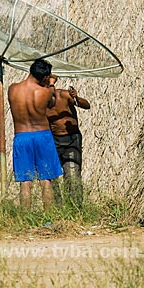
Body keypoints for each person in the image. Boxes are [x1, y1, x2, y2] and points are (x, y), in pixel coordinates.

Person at [8, 59, 62, 210]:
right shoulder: (45, 92)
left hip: (22, 136)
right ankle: (49, 217)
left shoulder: (12, 89)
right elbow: (52, 103)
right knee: (46, 179)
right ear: (44, 77)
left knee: (25, 181)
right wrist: (51, 84)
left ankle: (25, 219)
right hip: (42, 135)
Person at [46, 80, 90, 208]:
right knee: (52, 176)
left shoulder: (64, 95)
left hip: (71, 139)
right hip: (54, 140)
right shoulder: (41, 103)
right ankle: (57, 207)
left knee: (72, 174)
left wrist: (76, 97)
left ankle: (75, 207)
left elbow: (86, 105)